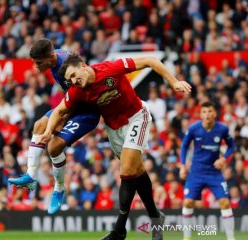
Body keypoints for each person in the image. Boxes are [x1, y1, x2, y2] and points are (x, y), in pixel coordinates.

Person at [36, 54, 192, 240]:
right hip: (114, 128)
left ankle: (119, 229)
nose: (73, 81)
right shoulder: (77, 90)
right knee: (136, 172)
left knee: (126, 170)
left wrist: (173, 82)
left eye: (74, 75)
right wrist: (49, 131)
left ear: (83, 66)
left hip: (136, 117)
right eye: (69, 80)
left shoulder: (110, 68)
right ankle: (156, 217)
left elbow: (150, 60)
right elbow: (60, 110)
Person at [8, 39, 101, 214]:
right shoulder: (54, 59)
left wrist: (60, 119)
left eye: (38, 63)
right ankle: (31, 176)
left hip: (87, 111)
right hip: (72, 105)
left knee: (54, 147)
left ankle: (59, 189)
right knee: (39, 125)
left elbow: (84, 91)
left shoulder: (66, 66)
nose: (36, 67)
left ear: (50, 58)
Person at [180, 101, 236, 240]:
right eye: (204, 112)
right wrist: (182, 165)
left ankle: (231, 238)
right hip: (196, 172)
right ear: (200, 114)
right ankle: (187, 237)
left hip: (214, 173)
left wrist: (224, 159)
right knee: (187, 202)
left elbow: (232, 147)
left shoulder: (222, 129)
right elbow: (184, 146)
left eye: (210, 111)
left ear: (215, 113)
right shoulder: (194, 128)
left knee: (224, 202)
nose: (207, 115)